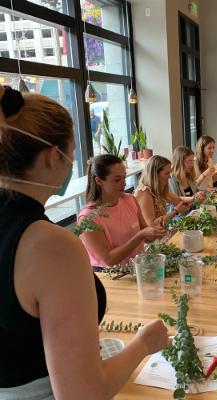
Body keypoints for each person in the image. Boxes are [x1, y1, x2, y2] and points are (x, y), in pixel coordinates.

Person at [0, 85, 169, 398]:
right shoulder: (49, 245)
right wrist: (145, 343)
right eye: (73, 152)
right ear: (54, 156)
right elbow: (83, 393)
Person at [78, 155, 166, 270]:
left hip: (138, 269)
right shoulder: (87, 219)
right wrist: (140, 236)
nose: (124, 183)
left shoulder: (130, 200)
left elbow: (146, 235)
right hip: (111, 277)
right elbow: (109, 259)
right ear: (99, 180)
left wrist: (155, 231)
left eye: (125, 177)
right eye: (117, 180)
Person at [135, 155, 191, 226]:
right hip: (155, 236)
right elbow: (151, 225)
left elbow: (178, 200)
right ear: (155, 175)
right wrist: (175, 211)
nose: (170, 177)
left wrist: (194, 198)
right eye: (166, 173)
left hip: (161, 232)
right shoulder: (144, 192)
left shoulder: (158, 188)